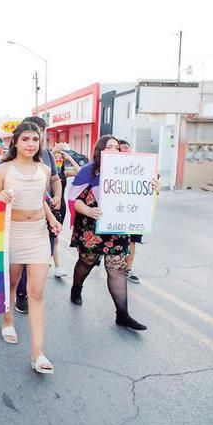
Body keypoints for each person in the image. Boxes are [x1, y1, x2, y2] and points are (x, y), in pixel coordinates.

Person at [0, 120, 62, 374]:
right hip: (12, 233)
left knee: (36, 291)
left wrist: (51, 219)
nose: (31, 144)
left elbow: (40, 200)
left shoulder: (44, 169)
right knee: (11, 282)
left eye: (35, 139)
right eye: (26, 139)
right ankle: (7, 320)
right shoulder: (2, 170)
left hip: (38, 233)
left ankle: (37, 353)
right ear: (16, 142)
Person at [68, 135, 157, 331]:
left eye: (117, 147)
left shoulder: (130, 170)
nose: (114, 150)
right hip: (92, 225)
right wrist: (88, 210)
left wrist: (152, 188)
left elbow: (140, 195)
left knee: (117, 269)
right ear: (99, 150)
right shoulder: (88, 171)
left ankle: (122, 315)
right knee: (87, 262)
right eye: (109, 147)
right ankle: (76, 288)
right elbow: (74, 200)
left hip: (117, 226)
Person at [14, 116, 63, 313]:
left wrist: (57, 196)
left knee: (43, 255)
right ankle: (21, 294)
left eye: (39, 133)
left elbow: (55, 179)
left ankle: (30, 289)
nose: (34, 139)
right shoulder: (9, 164)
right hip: (20, 220)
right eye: (29, 135)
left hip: (45, 213)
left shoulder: (47, 156)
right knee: (22, 260)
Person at [48, 143, 81, 278]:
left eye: (60, 158)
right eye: (56, 157)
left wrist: (69, 158)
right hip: (46, 206)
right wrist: (52, 153)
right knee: (50, 237)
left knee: (54, 236)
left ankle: (54, 263)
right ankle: (54, 263)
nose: (58, 159)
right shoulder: (45, 170)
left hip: (60, 207)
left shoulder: (63, 173)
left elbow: (79, 172)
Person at [119, 140, 142, 284]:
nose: (124, 150)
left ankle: (128, 269)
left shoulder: (140, 166)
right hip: (116, 210)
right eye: (120, 149)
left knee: (132, 240)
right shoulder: (110, 167)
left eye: (126, 148)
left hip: (134, 211)